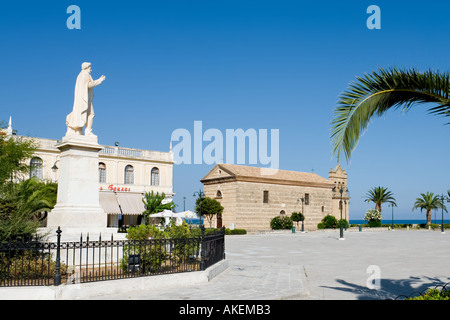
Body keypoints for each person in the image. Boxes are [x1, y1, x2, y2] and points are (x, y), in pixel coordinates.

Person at [66, 62, 105, 136]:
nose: (91, 70)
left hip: (83, 98)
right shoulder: (85, 74)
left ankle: (79, 131)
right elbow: (89, 85)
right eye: (90, 68)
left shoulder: (80, 75)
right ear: (87, 68)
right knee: (90, 114)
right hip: (85, 99)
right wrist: (99, 80)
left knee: (82, 113)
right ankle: (88, 132)